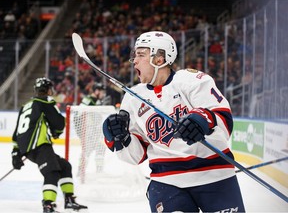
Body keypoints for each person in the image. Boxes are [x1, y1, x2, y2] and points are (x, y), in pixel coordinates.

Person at [102, 31, 246, 212]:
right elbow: (137, 155)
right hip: (166, 182)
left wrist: (202, 120)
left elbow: (224, 123)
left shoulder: (192, 80)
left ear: (159, 59)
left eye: (140, 55)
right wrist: (119, 139)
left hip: (214, 175)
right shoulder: (132, 98)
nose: (134, 61)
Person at [11, 77, 88, 213]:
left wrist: (16, 153)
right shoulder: (45, 101)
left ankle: (69, 200)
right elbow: (59, 122)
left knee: (64, 166)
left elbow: (17, 132)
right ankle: (48, 205)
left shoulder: (25, 106)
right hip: (39, 146)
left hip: (28, 149)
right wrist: (56, 132)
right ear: (47, 90)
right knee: (51, 172)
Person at [76, 82, 111, 176]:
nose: (103, 94)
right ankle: (80, 171)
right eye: (102, 92)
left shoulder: (95, 101)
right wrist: (81, 132)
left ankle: (98, 171)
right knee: (87, 151)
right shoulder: (88, 100)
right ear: (96, 91)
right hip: (88, 131)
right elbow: (77, 115)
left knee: (100, 148)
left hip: (94, 131)